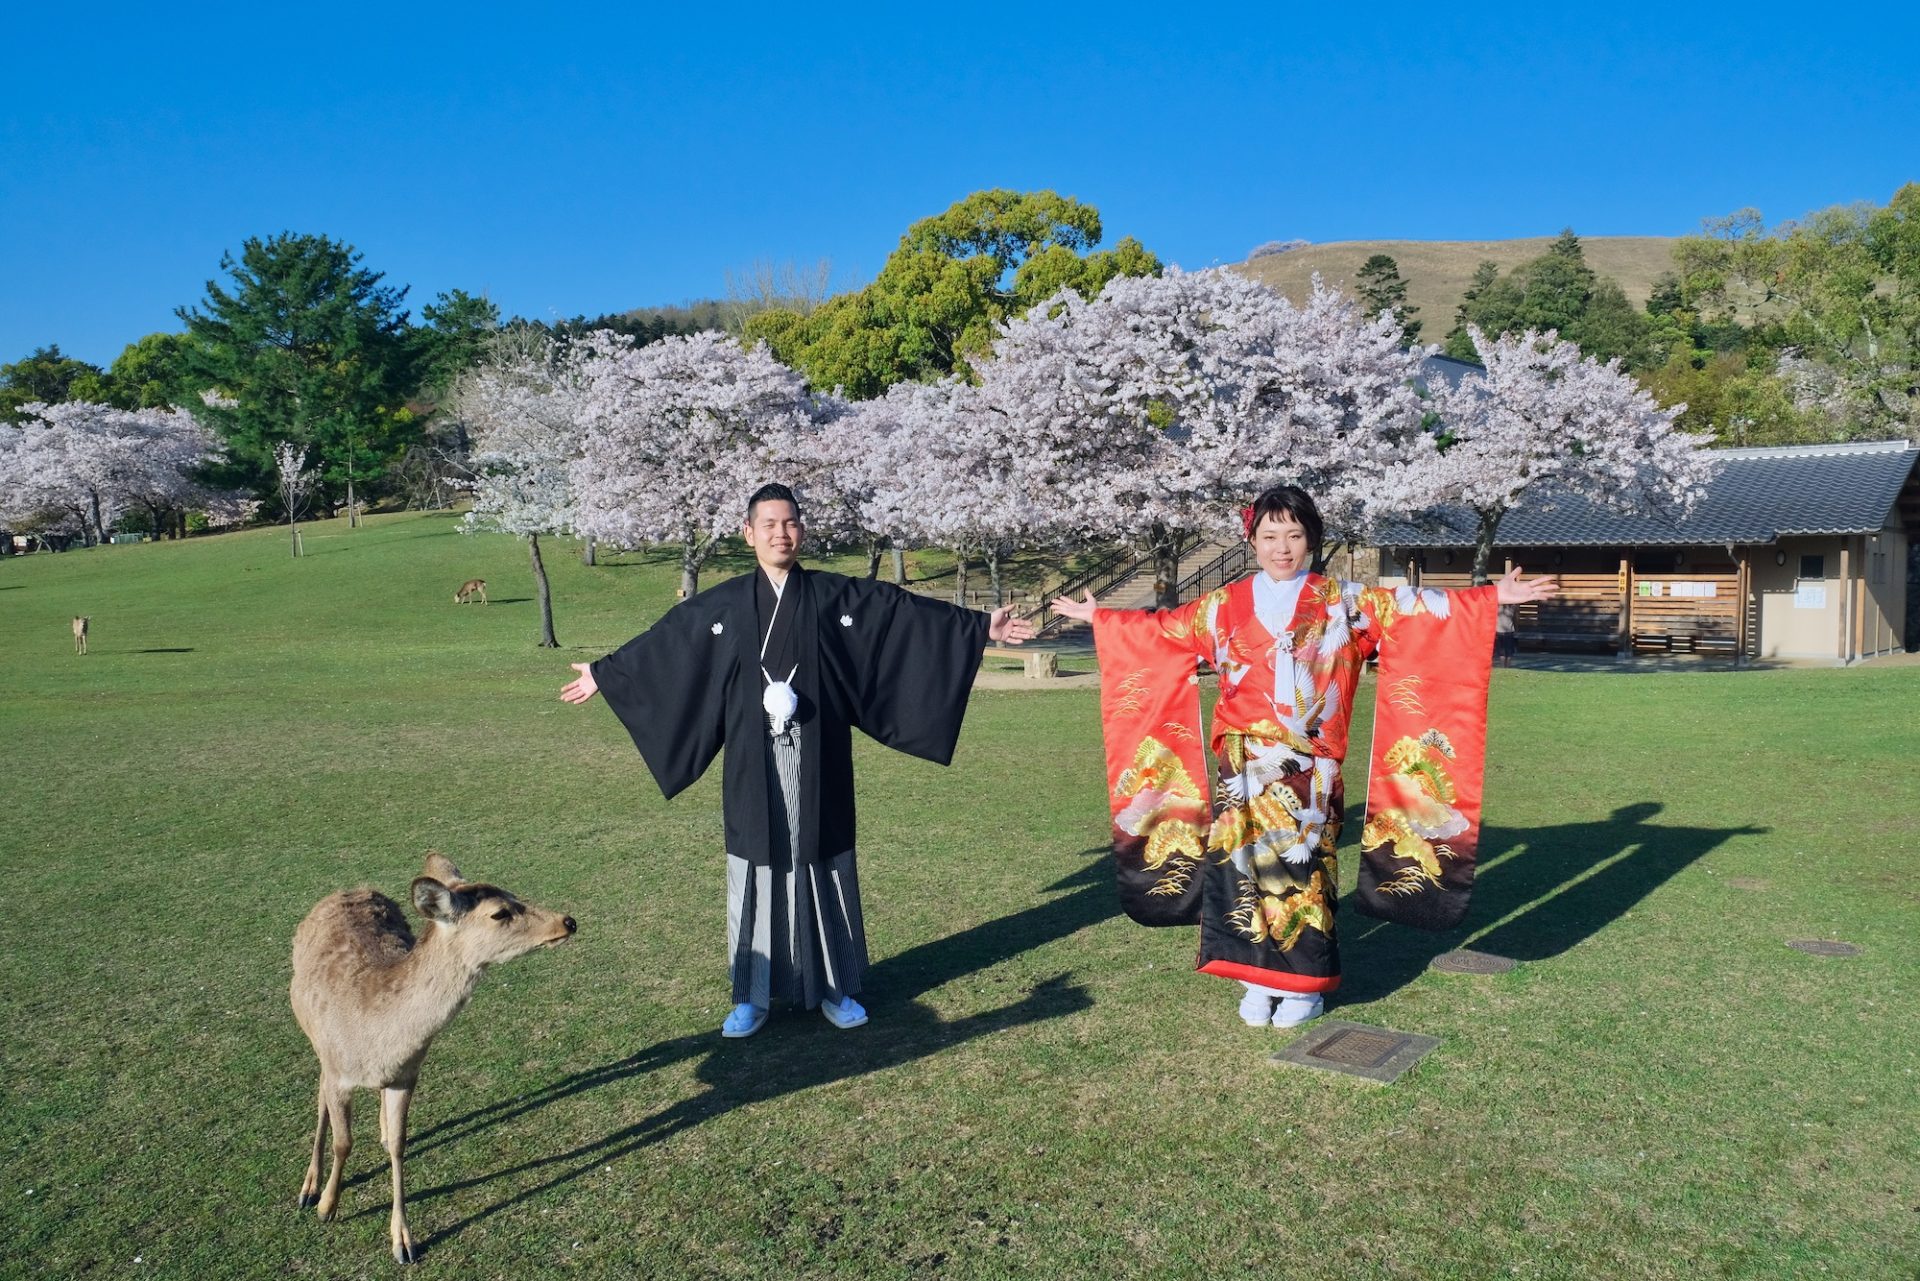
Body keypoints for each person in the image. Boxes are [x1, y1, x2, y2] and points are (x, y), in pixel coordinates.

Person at [1052, 486, 1556, 1029]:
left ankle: (1302, 987)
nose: (1282, 547)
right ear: (1252, 540)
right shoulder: (1223, 604)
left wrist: (1488, 599)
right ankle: (1252, 977)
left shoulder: (1346, 599)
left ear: (1312, 539)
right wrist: (1102, 616)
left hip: (1309, 768)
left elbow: (1416, 610)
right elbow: (1163, 631)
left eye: (1294, 535)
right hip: (1241, 764)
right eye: (1269, 536)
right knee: (1238, 871)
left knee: (1305, 868)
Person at [562, 483, 1035, 1038]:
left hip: (820, 755)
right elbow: (671, 642)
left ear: (801, 531)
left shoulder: (834, 597)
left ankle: (837, 988)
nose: (780, 534)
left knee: (823, 861)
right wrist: (608, 673)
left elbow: (896, 614)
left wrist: (979, 627)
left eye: (789, 524)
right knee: (754, 867)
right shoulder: (724, 602)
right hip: (750, 757)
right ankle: (751, 996)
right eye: (768, 524)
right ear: (748, 533)